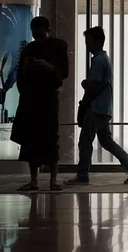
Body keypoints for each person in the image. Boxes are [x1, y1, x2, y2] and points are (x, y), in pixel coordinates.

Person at [64, 26, 128, 186]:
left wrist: (84, 104)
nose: (86, 44)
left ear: (98, 42)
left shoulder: (98, 60)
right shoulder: (104, 59)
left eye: (88, 41)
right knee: (106, 141)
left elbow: (94, 87)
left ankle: (83, 174)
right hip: (104, 108)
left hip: (96, 108)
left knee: (85, 140)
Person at [12, 17, 69, 191]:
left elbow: (64, 72)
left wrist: (47, 67)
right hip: (31, 98)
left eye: (38, 30)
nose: (35, 34)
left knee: (51, 136)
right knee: (31, 138)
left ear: (47, 29)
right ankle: (34, 180)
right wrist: (27, 68)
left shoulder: (59, 46)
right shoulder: (29, 48)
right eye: (33, 30)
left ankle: (53, 179)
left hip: (48, 97)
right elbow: (21, 75)